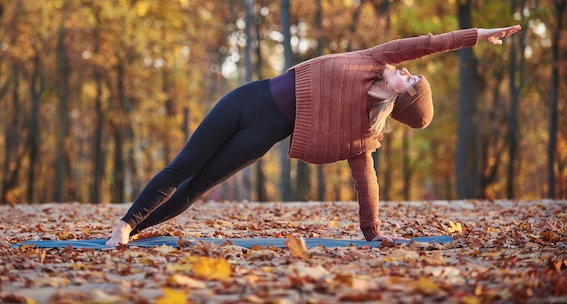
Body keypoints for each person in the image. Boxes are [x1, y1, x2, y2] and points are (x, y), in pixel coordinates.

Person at [106, 25, 521, 246]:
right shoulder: (375, 59)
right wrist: (478, 36)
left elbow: (366, 181)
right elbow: (430, 43)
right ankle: (126, 224)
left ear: (404, 102)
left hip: (262, 135)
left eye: (410, 81)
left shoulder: (364, 132)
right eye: (410, 71)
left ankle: (135, 232)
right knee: (183, 166)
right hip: (246, 100)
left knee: (196, 187)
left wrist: (373, 231)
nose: (407, 70)